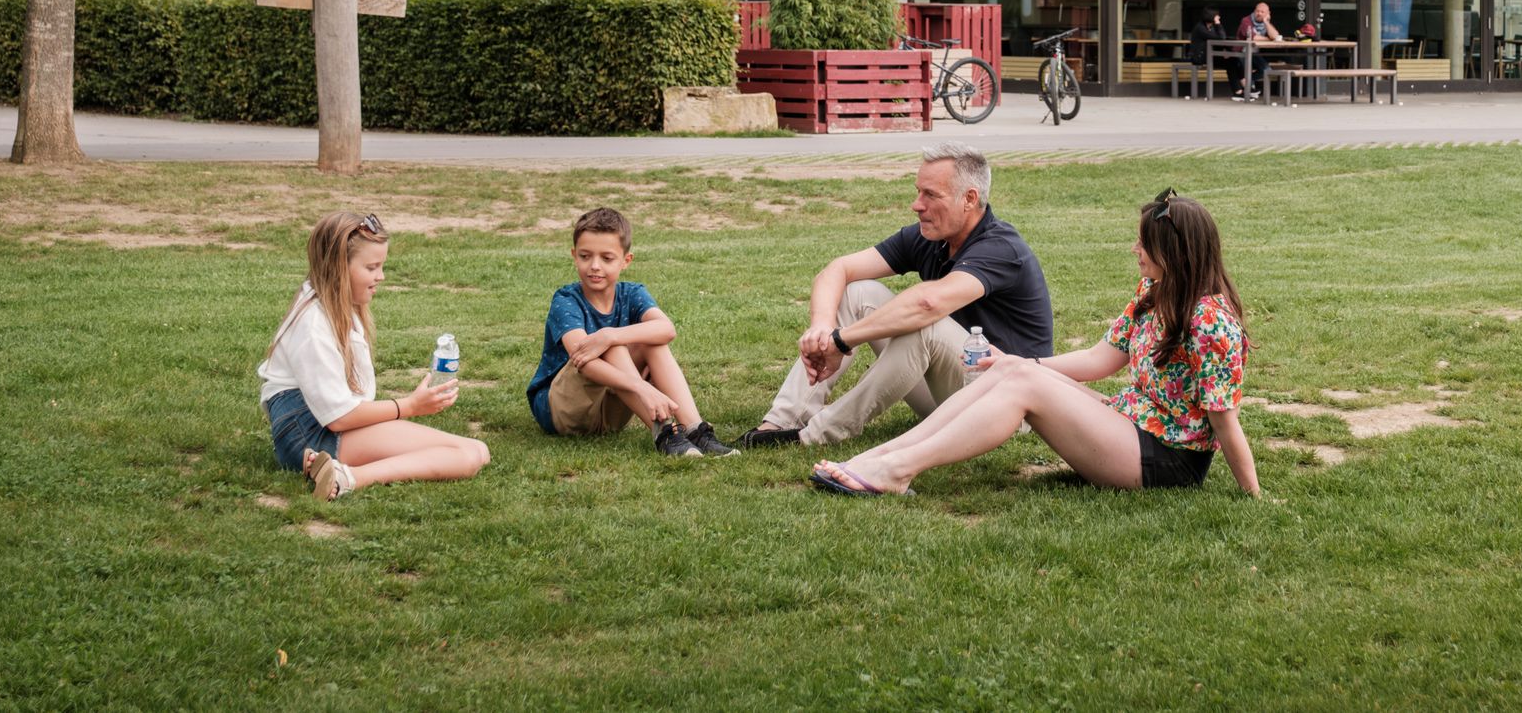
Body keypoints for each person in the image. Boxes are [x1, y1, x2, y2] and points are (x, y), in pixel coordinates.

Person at [808, 188, 1259, 499]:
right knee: (1014, 371)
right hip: (1131, 425)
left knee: (1026, 384)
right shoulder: (1154, 292)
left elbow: (1224, 422)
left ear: (1175, 253)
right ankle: (881, 457)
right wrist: (1019, 360)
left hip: (1166, 462)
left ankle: (896, 471)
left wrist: (1253, 495)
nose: (1134, 250)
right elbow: (1098, 359)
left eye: (1144, 244)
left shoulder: (1211, 323)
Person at [739, 145, 1053, 449]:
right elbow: (838, 269)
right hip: (952, 396)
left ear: (969, 199)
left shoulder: (1001, 247)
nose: (917, 204)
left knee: (925, 324)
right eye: (918, 191)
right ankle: (781, 423)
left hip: (1007, 407)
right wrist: (821, 329)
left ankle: (816, 435)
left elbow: (927, 304)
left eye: (931, 194)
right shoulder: (931, 235)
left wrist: (841, 340)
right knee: (858, 291)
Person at [258, 211, 491, 500]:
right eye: (371, 267)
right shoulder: (313, 324)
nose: (380, 276)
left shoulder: (338, 306)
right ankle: (347, 477)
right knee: (467, 455)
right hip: (308, 433)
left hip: (322, 426)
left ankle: (337, 470)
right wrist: (409, 406)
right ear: (338, 268)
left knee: (479, 451)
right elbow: (339, 417)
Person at [526, 206, 736, 458]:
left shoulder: (632, 293)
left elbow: (666, 329)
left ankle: (694, 430)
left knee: (644, 340)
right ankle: (665, 433)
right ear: (574, 256)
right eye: (585, 256)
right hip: (562, 411)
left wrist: (610, 335)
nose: (594, 266)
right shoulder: (566, 299)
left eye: (607, 258)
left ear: (626, 261)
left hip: (609, 413)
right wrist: (642, 387)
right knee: (612, 346)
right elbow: (583, 360)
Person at [1235, 1, 1284, 101]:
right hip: (1240, 53)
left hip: (1254, 54)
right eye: (1257, 11)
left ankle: (1247, 81)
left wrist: (1266, 22)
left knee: (1267, 71)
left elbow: (1275, 35)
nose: (1259, 13)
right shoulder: (1246, 20)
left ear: (1267, 13)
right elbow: (1253, 37)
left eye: (1262, 12)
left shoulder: (1265, 23)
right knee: (1246, 67)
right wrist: (1269, 39)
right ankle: (1248, 90)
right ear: (1254, 11)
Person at [1188, 8, 1231, 96]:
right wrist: (1218, 23)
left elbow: (1220, 40)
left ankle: (1240, 90)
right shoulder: (1201, 28)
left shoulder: (1210, 27)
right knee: (1231, 62)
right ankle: (1241, 90)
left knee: (1233, 62)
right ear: (1211, 17)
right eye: (1216, 16)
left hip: (1208, 56)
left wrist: (1225, 50)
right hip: (1199, 58)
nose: (1219, 17)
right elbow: (1222, 37)